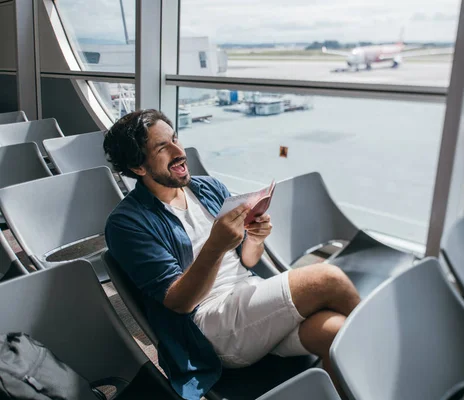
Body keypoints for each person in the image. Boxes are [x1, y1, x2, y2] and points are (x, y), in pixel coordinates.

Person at [103, 109, 360, 398]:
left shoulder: (209, 188)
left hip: (252, 304)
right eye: (163, 147)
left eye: (175, 139)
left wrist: (255, 238)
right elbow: (180, 303)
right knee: (327, 277)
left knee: (335, 333)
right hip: (209, 327)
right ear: (138, 167)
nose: (179, 151)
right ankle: (392, 358)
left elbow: (247, 261)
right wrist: (215, 245)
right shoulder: (127, 224)